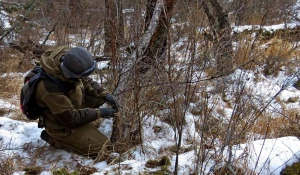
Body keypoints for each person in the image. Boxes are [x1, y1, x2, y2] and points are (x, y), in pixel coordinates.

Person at [35, 46, 118, 158]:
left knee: (100, 99)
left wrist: (104, 94)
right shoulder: (50, 88)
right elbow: (71, 119)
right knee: (104, 148)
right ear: (72, 75)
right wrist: (100, 113)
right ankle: (54, 138)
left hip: (71, 100)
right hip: (60, 122)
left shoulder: (67, 59)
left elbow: (85, 79)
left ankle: (86, 115)